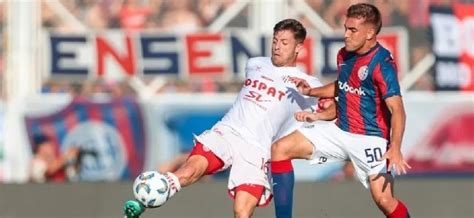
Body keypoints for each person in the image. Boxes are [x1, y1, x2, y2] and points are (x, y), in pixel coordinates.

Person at [124, 18, 336, 218]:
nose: (277, 47)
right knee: (190, 170)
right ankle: (142, 202)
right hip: (228, 131)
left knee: (242, 211)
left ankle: (147, 198)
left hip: (258, 149)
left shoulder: (310, 84)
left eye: (284, 42)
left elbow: (334, 110)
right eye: (275, 41)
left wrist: (313, 115)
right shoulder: (255, 63)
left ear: (298, 47)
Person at [270, 3, 411, 218]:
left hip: (370, 139)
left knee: (384, 200)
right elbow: (343, 84)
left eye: (353, 30)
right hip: (338, 131)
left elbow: (397, 109)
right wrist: (312, 91)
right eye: (346, 28)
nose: (346, 34)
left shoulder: (382, 64)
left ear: (370, 33)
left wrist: (396, 148)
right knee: (280, 149)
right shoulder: (344, 54)